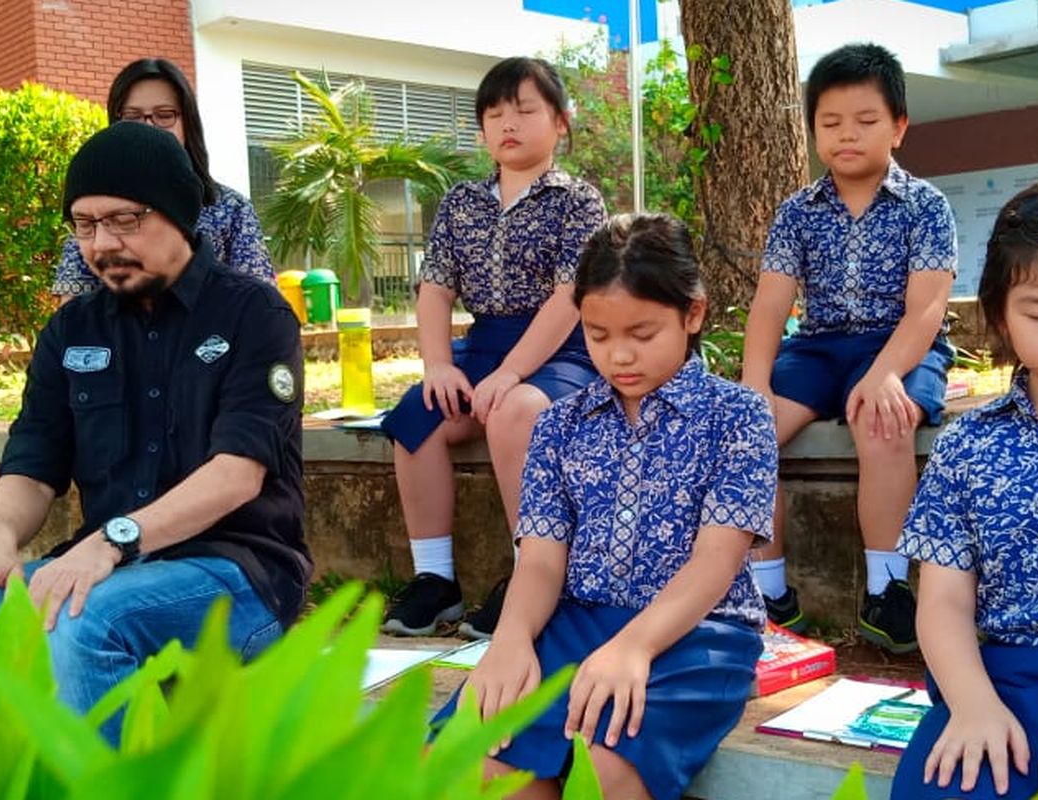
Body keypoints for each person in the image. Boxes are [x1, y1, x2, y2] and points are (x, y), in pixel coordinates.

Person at [0, 122, 310, 745]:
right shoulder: (71, 329)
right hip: (113, 566)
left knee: (88, 621)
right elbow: (31, 461)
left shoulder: (254, 313)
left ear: (179, 215)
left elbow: (237, 472)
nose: (102, 243)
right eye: (84, 223)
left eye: (124, 219)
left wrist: (112, 542)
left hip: (240, 573)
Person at [433, 214, 778, 800]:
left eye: (642, 335)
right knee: (477, 758)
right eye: (597, 335)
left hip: (697, 633)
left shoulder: (739, 416)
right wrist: (512, 639)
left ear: (692, 314)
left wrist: (634, 648)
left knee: (607, 765)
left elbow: (715, 562)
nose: (620, 356)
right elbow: (540, 560)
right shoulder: (559, 425)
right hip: (575, 622)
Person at [740, 42, 957, 652]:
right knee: (747, 428)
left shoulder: (926, 207)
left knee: (884, 421)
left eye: (865, 121)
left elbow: (928, 310)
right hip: (817, 350)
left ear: (899, 127)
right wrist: (755, 380)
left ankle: (887, 592)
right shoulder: (796, 212)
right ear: (813, 132)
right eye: (830, 123)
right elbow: (771, 305)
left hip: (899, 344)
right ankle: (768, 589)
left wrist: (887, 374)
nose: (847, 136)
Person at [380, 57, 605, 639]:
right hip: (480, 348)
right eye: (495, 113)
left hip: (565, 352)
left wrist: (510, 372)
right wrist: (438, 367)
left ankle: (530, 574)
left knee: (514, 410)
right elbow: (434, 289)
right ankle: (435, 581)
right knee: (416, 417)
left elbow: (568, 299)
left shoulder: (579, 201)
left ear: (559, 121)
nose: (509, 123)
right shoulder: (461, 203)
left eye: (525, 110)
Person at [891, 176, 1038, 799]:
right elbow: (944, 602)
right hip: (996, 680)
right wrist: (973, 705)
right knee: (944, 784)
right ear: (1000, 313)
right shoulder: (967, 446)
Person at [52, 58, 274, 300]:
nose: (149, 127)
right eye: (132, 116)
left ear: (188, 123)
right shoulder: (95, 212)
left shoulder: (230, 208)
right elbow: (72, 309)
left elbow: (258, 300)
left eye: (164, 115)